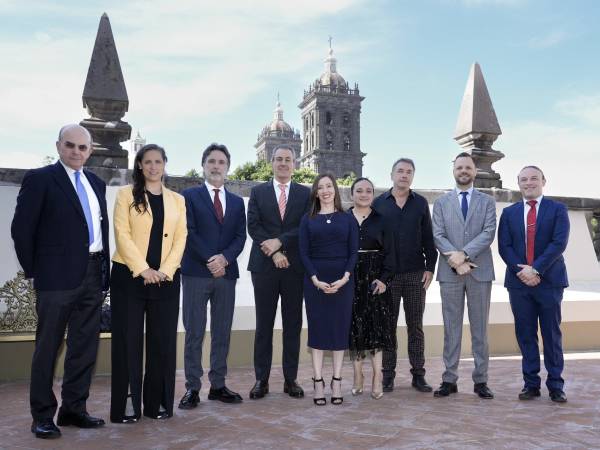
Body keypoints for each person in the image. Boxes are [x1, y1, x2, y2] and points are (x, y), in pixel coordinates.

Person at [11, 124, 110, 439]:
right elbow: (22, 230)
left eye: (83, 148)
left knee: (84, 347)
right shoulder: (40, 179)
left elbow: (98, 231)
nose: (76, 152)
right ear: (58, 146)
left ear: (90, 151)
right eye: (70, 145)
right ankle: (42, 415)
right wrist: (35, 271)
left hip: (93, 275)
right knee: (48, 347)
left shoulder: (96, 183)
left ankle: (73, 409)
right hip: (55, 279)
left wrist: (104, 271)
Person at [110, 144, 187, 423]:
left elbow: (181, 238)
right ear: (139, 165)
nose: (153, 166)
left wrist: (164, 270)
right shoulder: (124, 195)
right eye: (148, 162)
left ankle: (158, 403)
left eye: (158, 161)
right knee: (127, 343)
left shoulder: (177, 200)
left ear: (165, 164)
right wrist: (143, 269)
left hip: (165, 281)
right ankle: (128, 404)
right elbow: (122, 234)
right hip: (128, 278)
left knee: (162, 343)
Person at [178, 144, 246, 408]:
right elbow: (189, 231)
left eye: (221, 162)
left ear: (227, 168)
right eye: (211, 162)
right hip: (196, 272)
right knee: (194, 332)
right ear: (203, 166)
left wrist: (224, 259)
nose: (216, 166)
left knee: (222, 332)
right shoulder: (189, 196)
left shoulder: (238, 202)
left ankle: (218, 385)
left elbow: (241, 236)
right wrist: (211, 259)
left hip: (226, 275)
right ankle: (192, 388)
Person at [498, 166, 570, 403]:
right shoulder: (509, 213)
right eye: (524, 179)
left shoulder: (557, 209)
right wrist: (523, 272)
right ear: (518, 183)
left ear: (543, 181)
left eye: (534, 178)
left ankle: (556, 385)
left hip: (549, 281)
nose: (529, 183)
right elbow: (504, 247)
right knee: (526, 334)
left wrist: (536, 269)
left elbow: (558, 243)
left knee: (551, 334)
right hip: (519, 284)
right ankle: (531, 384)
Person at [247, 146, 310, 400]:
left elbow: (305, 225)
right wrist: (274, 252)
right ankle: (260, 380)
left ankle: (290, 379)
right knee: (264, 324)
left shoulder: (305, 194)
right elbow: (253, 226)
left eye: (288, 159)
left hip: (295, 269)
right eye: (279, 159)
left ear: (294, 164)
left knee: (292, 325)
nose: (283, 163)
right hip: (264, 268)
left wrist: (280, 242)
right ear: (271, 162)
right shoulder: (258, 191)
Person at [431, 152, 497, 399]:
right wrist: (455, 261)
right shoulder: (441, 203)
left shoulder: (487, 201)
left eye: (468, 167)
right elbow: (437, 235)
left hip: (480, 273)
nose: (464, 171)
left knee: (480, 329)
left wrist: (464, 255)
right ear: (454, 170)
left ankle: (481, 381)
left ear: (475, 171)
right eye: (459, 167)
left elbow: (489, 232)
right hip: (450, 273)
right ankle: (449, 379)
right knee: (452, 328)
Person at [372, 158, 438, 393]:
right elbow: (373, 241)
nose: (404, 175)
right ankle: (387, 375)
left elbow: (429, 238)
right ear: (391, 174)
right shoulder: (378, 203)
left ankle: (418, 375)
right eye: (400, 171)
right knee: (387, 327)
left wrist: (430, 267)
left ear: (413, 176)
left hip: (414, 275)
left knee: (415, 327)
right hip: (387, 277)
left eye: (409, 172)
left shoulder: (420, 203)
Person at [299, 173, 358, 405]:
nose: (325, 190)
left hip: (343, 281)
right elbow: (304, 252)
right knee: (318, 331)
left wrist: (345, 278)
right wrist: (315, 279)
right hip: (315, 282)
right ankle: (317, 382)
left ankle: (336, 382)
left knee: (338, 331)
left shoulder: (348, 218)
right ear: (315, 192)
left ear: (335, 190)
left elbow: (353, 251)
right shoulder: (307, 219)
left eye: (329, 186)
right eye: (320, 187)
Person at [347, 177, 396, 400]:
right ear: (352, 194)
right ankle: (358, 375)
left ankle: (377, 376)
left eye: (368, 191)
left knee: (376, 328)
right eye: (359, 190)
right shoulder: (343, 219)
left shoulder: (383, 220)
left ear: (373, 194)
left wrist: (384, 280)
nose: (364, 194)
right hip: (349, 278)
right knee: (353, 327)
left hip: (375, 279)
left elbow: (391, 255)